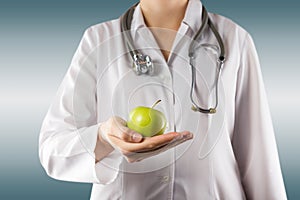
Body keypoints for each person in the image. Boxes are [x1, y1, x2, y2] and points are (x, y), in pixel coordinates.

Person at [39, 0, 287, 199]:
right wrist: (104, 138)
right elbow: (52, 149)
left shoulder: (235, 40)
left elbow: (259, 157)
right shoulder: (99, 40)